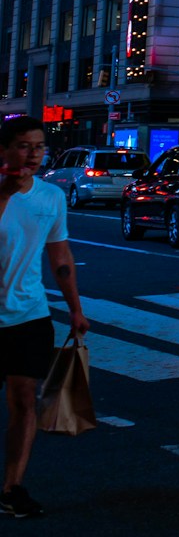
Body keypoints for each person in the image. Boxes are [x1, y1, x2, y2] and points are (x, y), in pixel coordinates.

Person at [0, 117, 86, 519]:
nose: (32, 154)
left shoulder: (51, 197)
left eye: (38, 146)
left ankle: (11, 487)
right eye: (22, 145)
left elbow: (60, 255)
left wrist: (75, 309)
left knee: (24, 402)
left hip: (29, 315)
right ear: (3, 151)